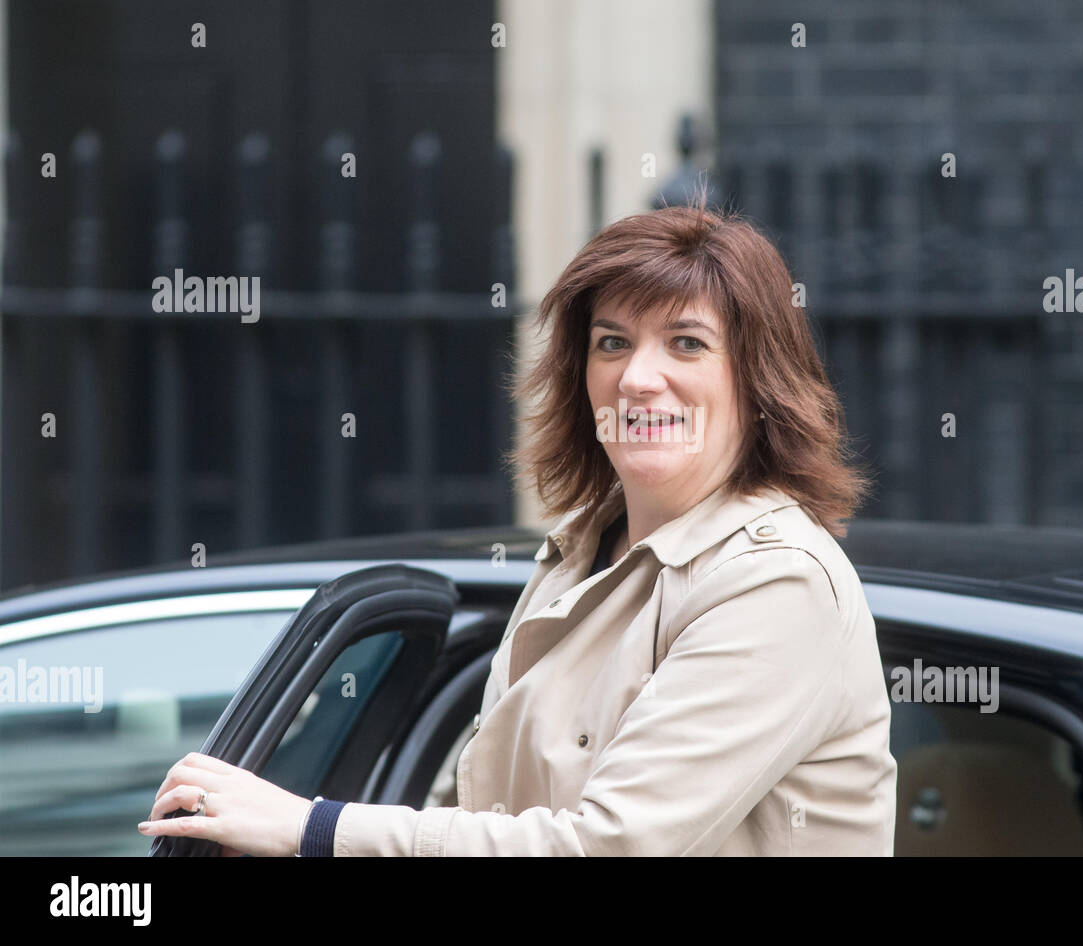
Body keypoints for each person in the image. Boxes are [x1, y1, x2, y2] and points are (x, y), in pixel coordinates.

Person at [140, 195, 897, 856]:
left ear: (758, 380)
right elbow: (479, 817)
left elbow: (609, 846)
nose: (637, 376)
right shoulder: (579, 550)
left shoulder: (774, 581)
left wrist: (312, 829)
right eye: (612, 342)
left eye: (687, 343)